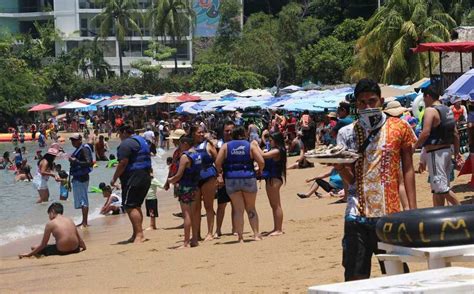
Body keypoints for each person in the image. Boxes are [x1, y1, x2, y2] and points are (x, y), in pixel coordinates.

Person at [336, 78, 417, 281]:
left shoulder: (400, 128)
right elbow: (352, 180)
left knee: (396, 276)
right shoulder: (347, 133)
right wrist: (339, 166)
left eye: (372, 101)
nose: (367, 106)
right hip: (356, 215)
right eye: (362, 102)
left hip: (389, 216)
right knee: (355, 277)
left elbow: (408, 169)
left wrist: (414, 211)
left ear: (381, 100)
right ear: (356, 104)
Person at [414, 85, 462, 207]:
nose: (424, 101)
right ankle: (440, 215)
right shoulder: (447, 110)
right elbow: (455, 133)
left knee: (441, 187)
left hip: (436, 153)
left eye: (424, 98)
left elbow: (425, 133)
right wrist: (457, 152)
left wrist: (414, 147)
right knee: (439, 189)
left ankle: (463, 211)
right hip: (447, 151)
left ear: (428, 96)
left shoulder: (430, 110)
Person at [215, 126, 265, 243]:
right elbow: (261, 161)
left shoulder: (226, 146)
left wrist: (221, 173)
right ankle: (256, 234)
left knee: (238, 210)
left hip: (231, 179)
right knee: (251, 207)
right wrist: (259, 171)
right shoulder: (250, 145)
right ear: (244, 133)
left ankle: (240, 237)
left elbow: (217, 162)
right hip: (248, 177)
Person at [110, 125, 152, 244]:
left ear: (124, 132)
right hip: (145, 176)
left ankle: (139, 234)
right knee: (136, 205)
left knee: (129, 206)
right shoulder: (142, 140)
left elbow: (123, 163)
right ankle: (136, 233)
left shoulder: (126, 144)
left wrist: (114, 178)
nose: (119, 137)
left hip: (133, 178)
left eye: (119, 133)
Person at [167, 136, 202, 248]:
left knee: (186, 215)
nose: (179, 146)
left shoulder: (185, 157)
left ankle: (186, 242)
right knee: (194, 214)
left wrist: (170, 180)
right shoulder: (197, 155)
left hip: (185, 187)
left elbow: (178, 175)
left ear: (185, 143)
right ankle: (195, 239)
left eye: (181, 144)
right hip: (195, 186)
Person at [19, 203, 86, 258]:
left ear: (52, 212)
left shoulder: (50, 224)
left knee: (33, 247)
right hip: (75, 249)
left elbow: (43, 244)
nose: (49, 217)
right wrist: (84, 247)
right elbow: (79, 239)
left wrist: (29, 254)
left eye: (49, 214)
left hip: (62, 251)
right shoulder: (70, 220)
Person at [191, 125, 218, 241]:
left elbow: (217, 160)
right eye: (199, 132)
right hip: (194, 178)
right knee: (195, 208)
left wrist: (219, 175)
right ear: (193, 134)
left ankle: (210, 232)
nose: (201, 134)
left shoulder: (208, 145)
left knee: (208, 205)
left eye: (202, 132)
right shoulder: (189, 146)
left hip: (208, 176)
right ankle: (197, 233)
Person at [260, 132, 287, 236]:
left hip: (274, 178)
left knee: (276, 205)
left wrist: (253, 146)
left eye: (271, 141)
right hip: (272, 178)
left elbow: (263, 155)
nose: (269, 142)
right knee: (273, 205)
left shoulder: (277, 150)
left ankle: (279, 229)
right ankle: (276, 228)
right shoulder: (275, 149)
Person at [214, 120, 235, 238]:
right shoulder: (219, 144)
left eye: (231, 130)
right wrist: (219, 175)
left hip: (234, 176)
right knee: (221, 205)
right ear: (223, 131)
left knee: (235, 205)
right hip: (223, 176)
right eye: (227, 130)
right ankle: (218, 230)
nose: (229, 132)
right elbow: (216, 162)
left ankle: (235, 228)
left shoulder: (237, 143)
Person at [69, 133, 94, 227]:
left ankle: (85, 222)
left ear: (80, 140)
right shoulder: (79, 149)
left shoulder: (84, 149)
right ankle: (84, 221)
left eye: (75, 140)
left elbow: (89, 163)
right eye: (72, 140)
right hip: (78, 177)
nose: (73, 142)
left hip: (82, 178)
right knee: (82, 200)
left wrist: (75, 161)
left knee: (83, 200)